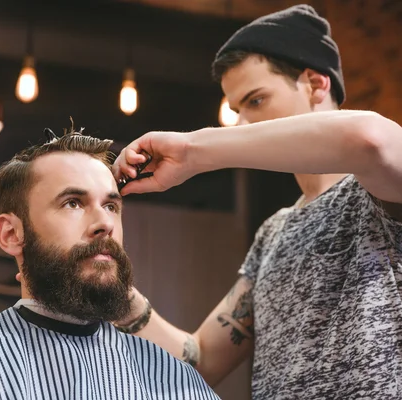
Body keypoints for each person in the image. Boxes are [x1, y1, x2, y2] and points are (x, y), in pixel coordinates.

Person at [112, 4, 402, 399]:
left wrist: (195, 150)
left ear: (317, 85)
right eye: (236, 109)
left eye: (256, 101)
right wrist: (118, 295)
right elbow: (199, 363)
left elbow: (370, 139)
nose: (242, 124)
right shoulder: (274, 232)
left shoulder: (376, 193)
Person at [0, 129, 220, 400]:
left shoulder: (169, 378)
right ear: (11, 234)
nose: (103, 223)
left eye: (111, 205)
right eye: (73, 203)